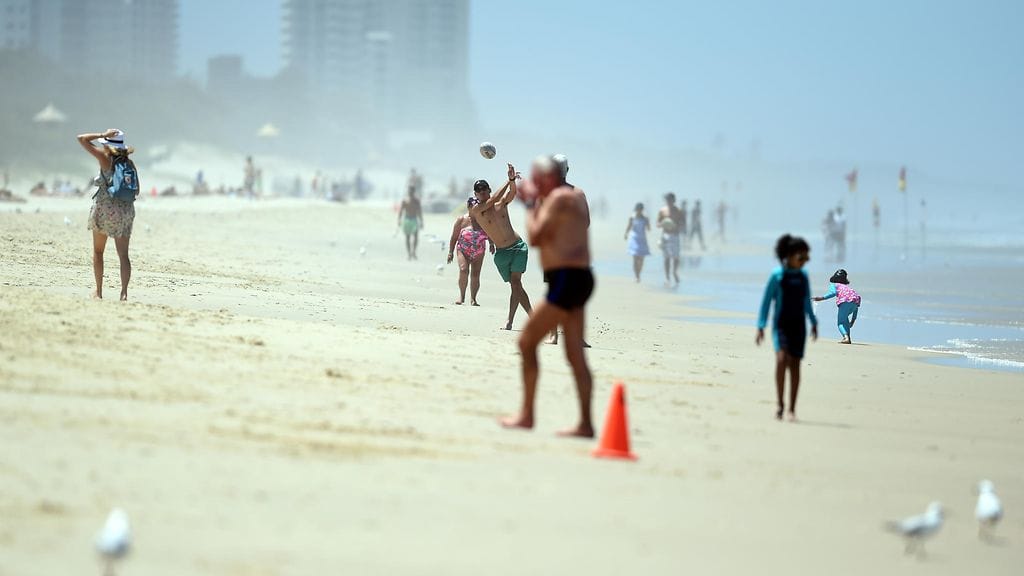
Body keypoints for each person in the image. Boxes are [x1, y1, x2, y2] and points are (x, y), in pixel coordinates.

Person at [501, 156, 595, 438]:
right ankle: (585, 424)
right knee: (575, 355)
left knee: (527, 342)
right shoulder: (575, 195)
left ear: (549, 179)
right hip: (577, 277)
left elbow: (536, 237)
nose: (534, 184)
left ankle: (527, 415)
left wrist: (531, 204)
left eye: (537, 179)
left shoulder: (556, 200)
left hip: (566, 280)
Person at [756, 234, 818, 422]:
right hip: (781, 326)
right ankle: (780, 404)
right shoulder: (777, 276)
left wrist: (814, 322)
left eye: (807, 258)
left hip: (799, 326)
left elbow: (806, 301)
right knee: (782, 360)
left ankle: (792, 409)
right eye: (801, 257)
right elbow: (766, 302)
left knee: (795, 365)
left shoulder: (803, 276)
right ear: (789, 256)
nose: (804, 262)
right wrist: (761, 326)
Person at [468, 164, 533, 330]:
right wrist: (509, 179)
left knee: (516, 283)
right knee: (515, 285)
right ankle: (510, 321)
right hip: (501, 253)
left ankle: (532, 320)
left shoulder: (501, 204)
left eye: (485, 189)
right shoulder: (477, 210)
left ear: (489, 189)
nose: (482, 192)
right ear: (475, 194)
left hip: (517, 247)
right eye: (479, 190)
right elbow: (492, 200)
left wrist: (512, 182)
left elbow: (511, 193)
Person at [77, 129, 138, 301]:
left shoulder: (105, 159)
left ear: (108, 145)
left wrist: (101, 134)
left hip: (105, 210)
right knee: (123, 255)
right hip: (126, 211)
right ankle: (124, 293)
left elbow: (81, 139)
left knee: (98, 252)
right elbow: (136, 189)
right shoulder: (129, 164)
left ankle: (98, 291)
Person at [447, 197, 494, 306]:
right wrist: (450, 252)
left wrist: (492, 244)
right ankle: (461, 296)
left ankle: (473, 299)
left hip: (479, 250)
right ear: (468, 207)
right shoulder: (461, 220)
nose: (477, 208)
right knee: (463, 270)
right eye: (474, 206)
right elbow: (454, 237)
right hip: (463, 249)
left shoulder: (483, 220)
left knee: (476, 274)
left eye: (478, 206)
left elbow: (490, 233)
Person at [814, 269, 861, 344]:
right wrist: (853, 320)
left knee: (841, 323)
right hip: (855, 302)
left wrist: (822, 298)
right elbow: (856, 307)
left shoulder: (834, 285)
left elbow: (832, 293)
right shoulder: (848, 288)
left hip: (845, 301)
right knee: (845, 320)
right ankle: (848, 337)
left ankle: (846, 337)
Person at [656, 193, 684, 286]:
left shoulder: (679, 211)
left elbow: (683, 223)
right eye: (667, 200)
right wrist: (663, 224)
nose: (668, 201)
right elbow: (657, 223)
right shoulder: (662, 210)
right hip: (665, 235)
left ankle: (675, 272)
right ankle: (667, 278)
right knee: (666, 258)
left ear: (674, 200)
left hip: (675, 236)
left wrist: (677, 227)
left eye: (670, 200)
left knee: (676, 257)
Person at [624, 202, 651, 282]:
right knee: (635, 258)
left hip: (642, 239)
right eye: (637, 209)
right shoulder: (632, 217)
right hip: (634, 239)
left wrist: (648, 223)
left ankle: (639, 273)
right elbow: (629, 226)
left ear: (642, 210)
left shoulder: (645, 218)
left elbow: (649, 229)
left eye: (640, 209)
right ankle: (637, 276)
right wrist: (626, 233)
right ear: (636, 209)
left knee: (641, 259)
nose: (639, 211)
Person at [397, 186, 424, 260]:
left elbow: (419, 211)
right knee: (407, 237)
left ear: (413, 192)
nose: (410, 192)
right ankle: (409, 253)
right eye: (409, 191)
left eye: (412, 191)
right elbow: (401, 211)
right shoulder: (405, 200)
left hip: (414, 219)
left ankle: (414, 252)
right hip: (407, 220)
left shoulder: (417, 201)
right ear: (408, 191)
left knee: (416, 237)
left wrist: (421, 221)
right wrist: (399, 220)